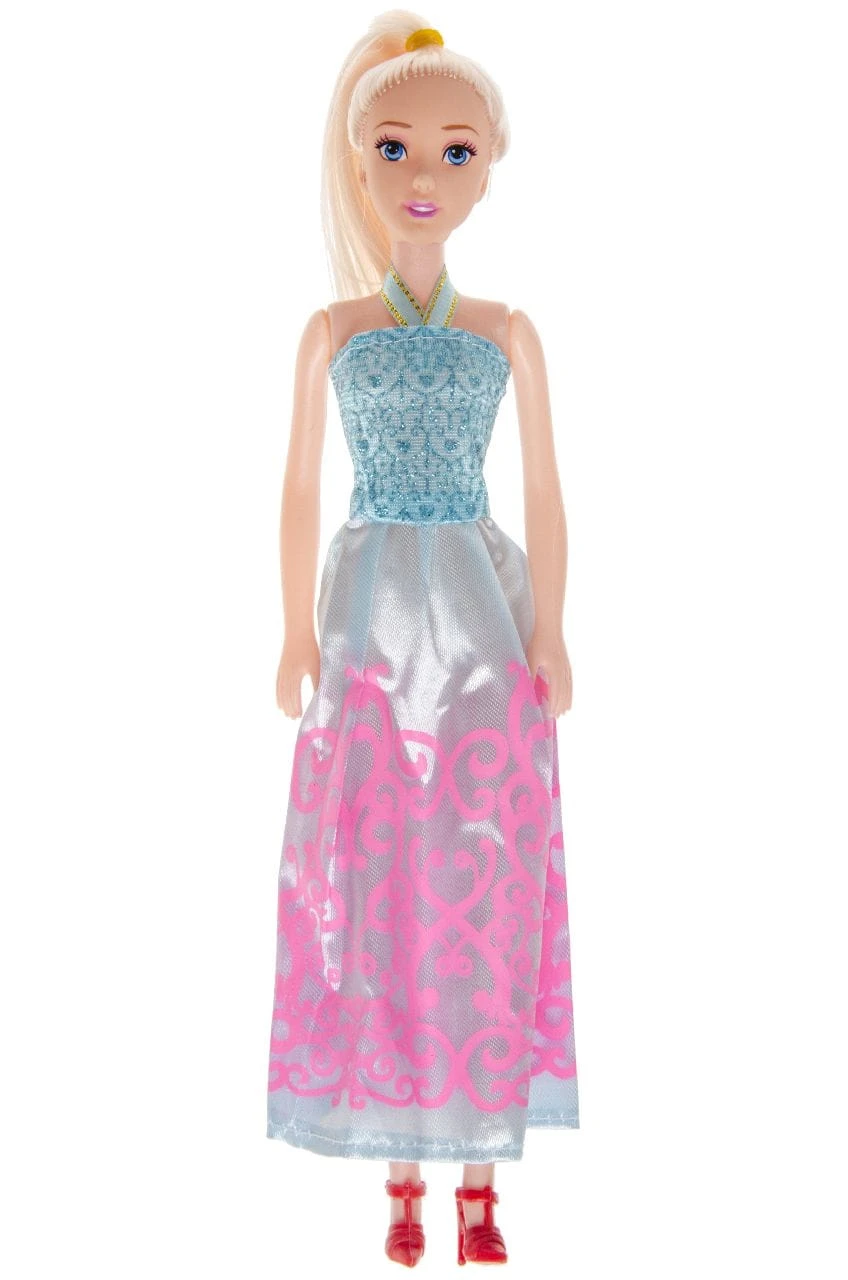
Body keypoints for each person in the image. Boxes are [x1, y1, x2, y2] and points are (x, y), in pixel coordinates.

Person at [266, 12, 579, 1267]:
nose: (423, 176)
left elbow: (544, 490)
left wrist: (553, 629)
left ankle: (480, 1170)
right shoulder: (332, 331)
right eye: (396, 148)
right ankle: (396, 1162)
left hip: (480, 629)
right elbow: (297, 487)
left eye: (456, 152)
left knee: (483, 876)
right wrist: (291, 629)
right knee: (374, 880)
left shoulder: (505, 330)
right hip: (367, 630)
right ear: (359, 162)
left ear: (488, 169)